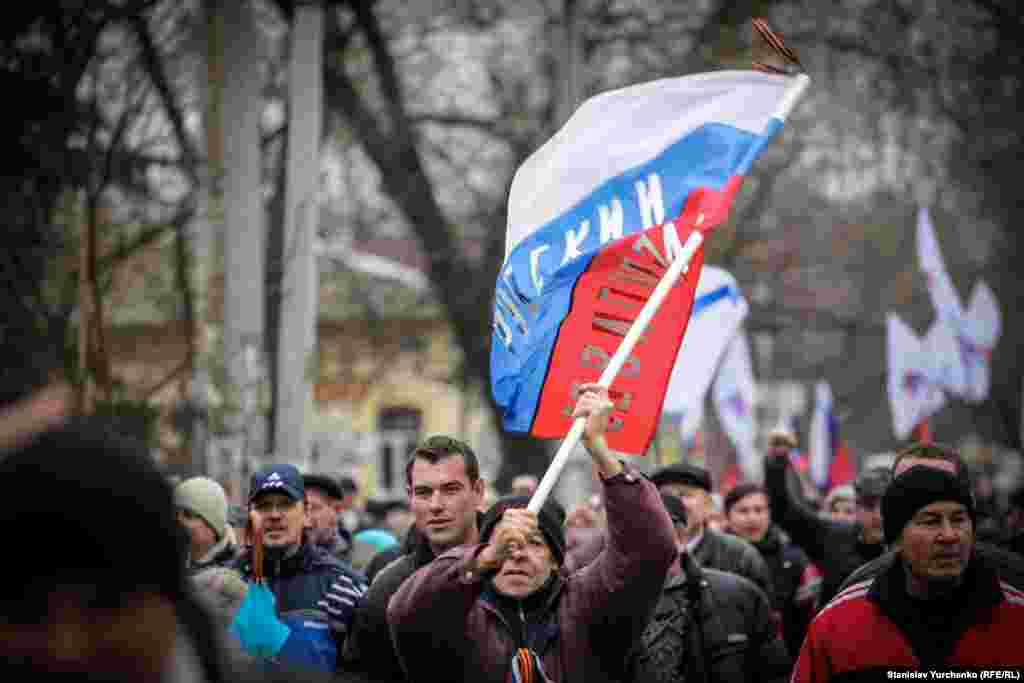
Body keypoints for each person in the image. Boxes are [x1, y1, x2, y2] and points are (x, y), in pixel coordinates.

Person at [388, 383, 676, 683]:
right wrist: (482, 559)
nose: (517, 554)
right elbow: (407, 614)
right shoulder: (458, 618)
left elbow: (650, 550)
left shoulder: (589, 605)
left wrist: (600, 451)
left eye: (534, 543)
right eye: (505, 544)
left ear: (556, 560)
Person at [793, 466, 1024, 679]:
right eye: (931, 521)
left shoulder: (1016, 616)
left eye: (959, 519)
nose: (950, 535)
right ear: (897, 538)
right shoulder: (836, 625)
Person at [342, 434, 486, 682]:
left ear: (478, 491)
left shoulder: (511, 570)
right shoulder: (388, 587)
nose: (436, 505)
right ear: (410, 497)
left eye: (450, 490)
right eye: (424, 492)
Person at [629, 493, 791, 683]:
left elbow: (773, 672)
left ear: (680, 538)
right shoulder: (606, 603)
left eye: (653, 530)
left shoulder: (738, 595)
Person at [835, 442, 1024, 593]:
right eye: (910, 490)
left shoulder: (1015, 582)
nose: (928, 502)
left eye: (943, 487)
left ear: (970, 500)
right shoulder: (858, 591)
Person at [231, 464, 367, 674]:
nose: (274, 515)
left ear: (305, 515)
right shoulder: (229, 584)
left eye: (285, 505)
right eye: (264, 506)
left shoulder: (342, 586)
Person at [763, 432, 889, 605]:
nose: (878, 516)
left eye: (885, 507)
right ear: (857, 506)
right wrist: (776, 463)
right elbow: (783, 512)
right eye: (869, 506)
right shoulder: (832, 535)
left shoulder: (910, 547)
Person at [723, 483, 820, 658]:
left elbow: (806, 617)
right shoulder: (714, 556)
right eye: (743, 511)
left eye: (759, 510)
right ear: (727, 516)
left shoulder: (793, 559)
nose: (752, 518)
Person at [651, 462, 771, 594]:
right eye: (666, 495)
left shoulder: (740, 556)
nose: (676, 503)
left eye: (685, 494)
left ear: (708, 504)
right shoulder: (642, 558)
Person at [176, 476, 239, 573]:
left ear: (212, 526)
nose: (178, 520)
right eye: (175, 513)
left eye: (188, 515)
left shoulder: (237, 576)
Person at [303, 473, 352, 562]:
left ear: (335, 511)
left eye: (314, 508)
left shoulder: (359, 556)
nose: (306, 517)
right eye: (301, 509)